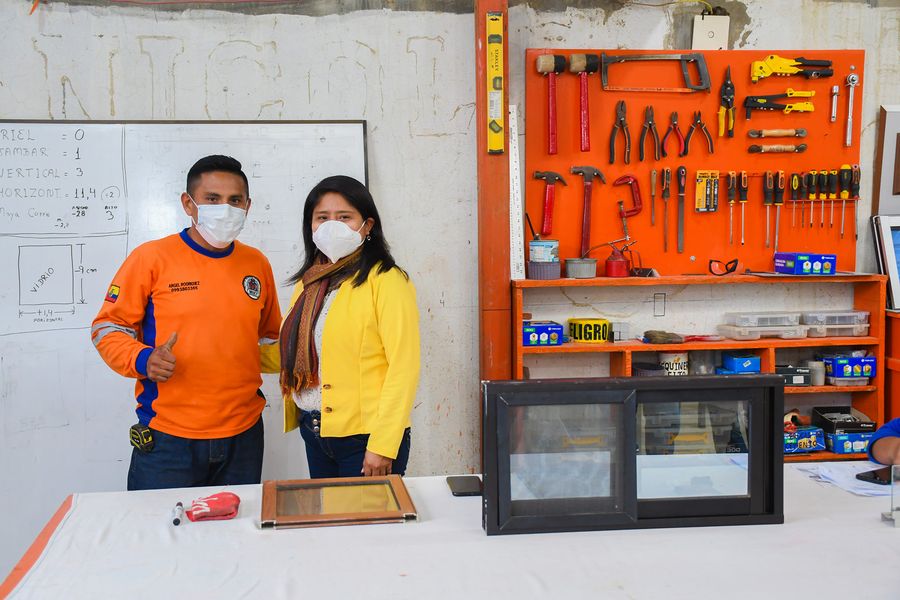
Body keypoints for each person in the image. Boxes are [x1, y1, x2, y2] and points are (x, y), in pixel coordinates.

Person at [91, 155, 282, 490]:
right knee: (159, 525)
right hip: (169, 440)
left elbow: (269, 339)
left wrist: (311, 351)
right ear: (188, 203)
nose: (225, 209)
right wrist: (143, 358)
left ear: (247, 206)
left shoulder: (256, 263)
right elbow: (108, 327)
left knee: (238, 526)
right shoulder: (151, 258)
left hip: (244, 436)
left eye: (235, 200)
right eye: (212, 199)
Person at [272, 175, 420, 478]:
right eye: (322, 217)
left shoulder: (387, 281)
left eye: (344, 217)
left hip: (365, 439)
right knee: (328, 511)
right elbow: (299, 348)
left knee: (367, 512)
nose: (332, 226)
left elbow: (404, 367)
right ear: (311, 226)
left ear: (367, 225)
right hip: (314, 431)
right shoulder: (309, 282)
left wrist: (383, 445)